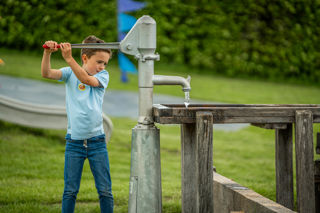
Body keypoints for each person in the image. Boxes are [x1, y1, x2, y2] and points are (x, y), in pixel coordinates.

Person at [41, 35, 113, 213]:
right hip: (74, 143)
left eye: (105, 63)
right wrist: (47, 53)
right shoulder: (68, 72)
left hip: (97, 143)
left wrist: (68, 57)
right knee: (70, 191)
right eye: (99, 62)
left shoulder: (103, 76)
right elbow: (47, 73)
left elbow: (86, 80)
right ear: (85, 58)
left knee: (105, 191)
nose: (102, 67)